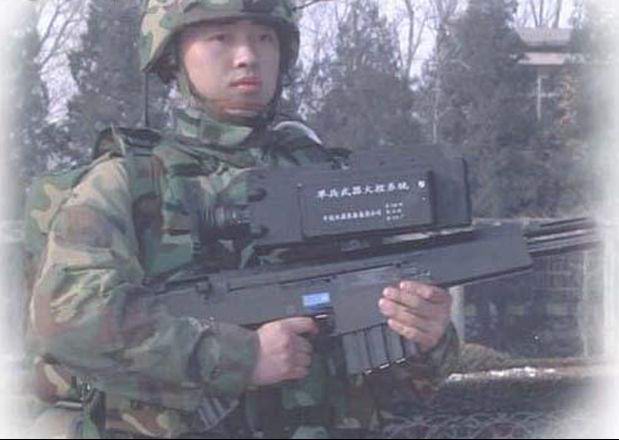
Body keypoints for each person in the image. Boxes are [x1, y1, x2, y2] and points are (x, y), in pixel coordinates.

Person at [26, 0, 459, 438]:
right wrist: (243, 358)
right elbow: (70, 317)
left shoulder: (328, 180)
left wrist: (426, 337)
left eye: (264, 38)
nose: (248, 56)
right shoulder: (128, 183)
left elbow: (397, 388)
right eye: (221, 37)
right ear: (172, 54)